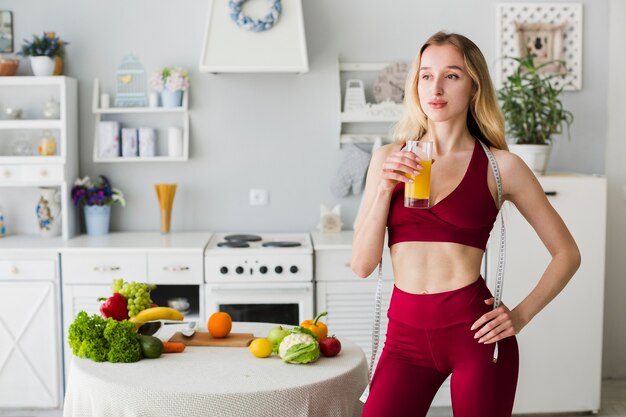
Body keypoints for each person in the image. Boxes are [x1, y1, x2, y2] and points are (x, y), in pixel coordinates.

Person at [352, 31, 581, 417]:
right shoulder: (389, 158)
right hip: (403, 339)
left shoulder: (501, 166)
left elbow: (567, 254)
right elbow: (361, 265)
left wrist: (520, 316)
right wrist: (382, 190)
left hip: (474, 335)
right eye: (426, 75)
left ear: (474, 85)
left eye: (452, 75)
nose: (436, 88)